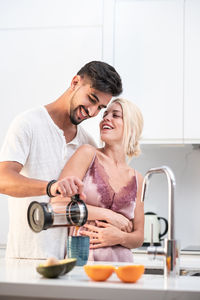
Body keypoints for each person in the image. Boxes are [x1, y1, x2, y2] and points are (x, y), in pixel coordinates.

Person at [0, 61, 123, 259]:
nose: (92, 112)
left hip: (71, 262)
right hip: (26, 257)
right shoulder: (28, 124)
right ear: (75, 82)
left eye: (100, 107)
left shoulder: (87, 143)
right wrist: (51, 187)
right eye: (91, 99)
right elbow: (3, 180)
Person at [51, 98, 144, 262]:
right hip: (84, 261)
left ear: (131, 125)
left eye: (116, 115)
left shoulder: (138, 179)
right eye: (105, 114)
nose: (106, 118)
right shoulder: (87, 154)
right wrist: (108, 215)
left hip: (122, 265)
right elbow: (58, 205)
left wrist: (119, 237)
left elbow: (138, 237)